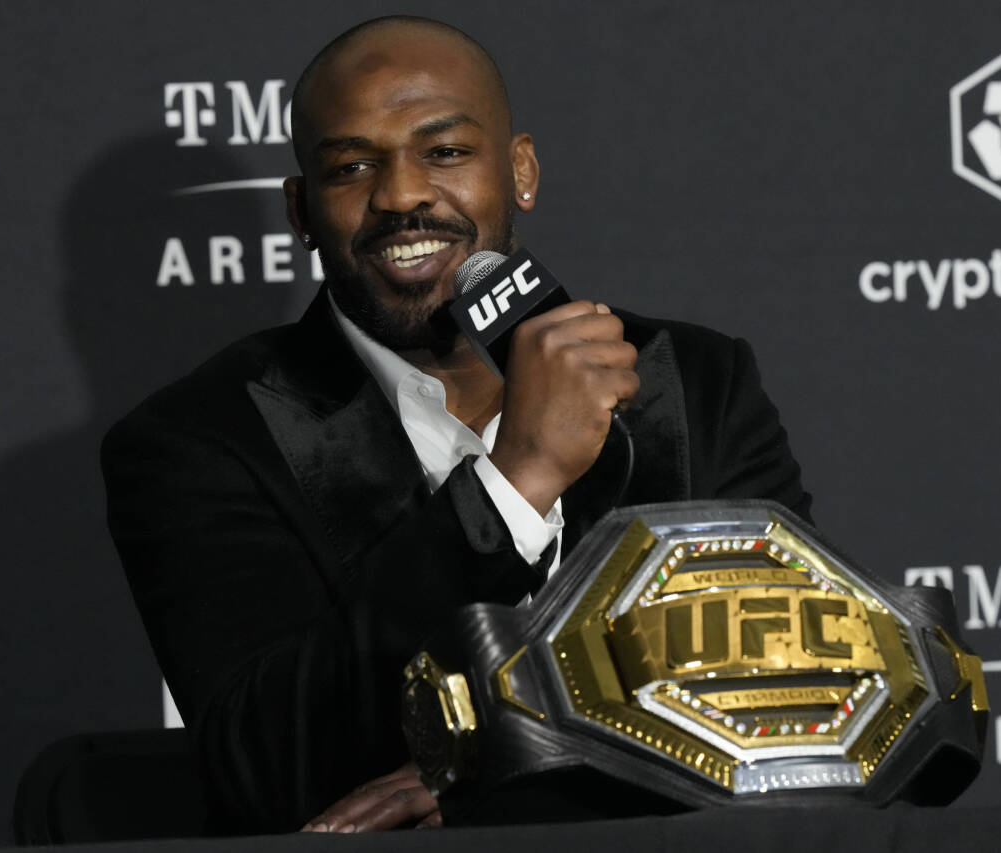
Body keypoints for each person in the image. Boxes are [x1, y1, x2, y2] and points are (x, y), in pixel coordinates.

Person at [102, 15, 811, 836]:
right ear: (300, 211)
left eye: (444, 153)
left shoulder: (694, 382)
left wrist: (512, 764)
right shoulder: (197, 442)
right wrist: (514, 483)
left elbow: (792, 696)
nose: (401, 194)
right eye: (352, 165)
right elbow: (267, 768)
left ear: (521, 173)